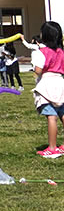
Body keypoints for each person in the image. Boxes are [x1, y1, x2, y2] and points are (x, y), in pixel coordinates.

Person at [31, 22, 64, 158]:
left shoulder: (42, 52)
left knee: (51, 116)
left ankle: (52, 147)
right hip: (60, 82)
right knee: (62, 113)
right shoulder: (61, 51)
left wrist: (35, 71)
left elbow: (38, 70)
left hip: (47, 83)